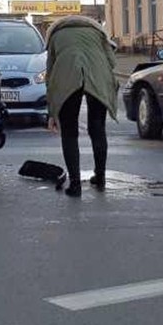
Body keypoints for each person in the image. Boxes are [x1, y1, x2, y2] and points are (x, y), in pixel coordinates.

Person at [46, 15, 119, 196]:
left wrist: (51, 111)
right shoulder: (98, 33)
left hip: (66, 78)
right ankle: (100, 177)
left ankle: (75, 185)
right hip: (98, 76)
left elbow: (50, 72)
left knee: (69, 131)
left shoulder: (56, 36)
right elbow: (112, 61)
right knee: (97, 127)